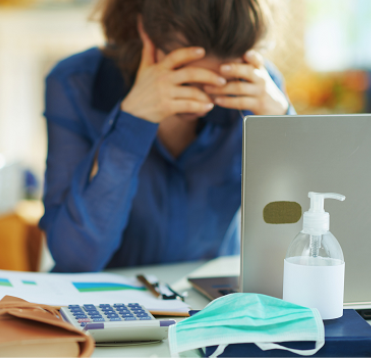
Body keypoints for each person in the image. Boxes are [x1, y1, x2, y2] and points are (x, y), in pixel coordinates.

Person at [39, 0, 295, 273]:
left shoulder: (257, 92)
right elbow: (76, 258)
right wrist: (131, 124)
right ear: (143, 31)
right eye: (186, 76)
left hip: (214, 305)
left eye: (219, 81)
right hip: (107, 300)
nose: (204, 97)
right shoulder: (74, 83)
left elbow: (294, 234)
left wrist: (285, 130)